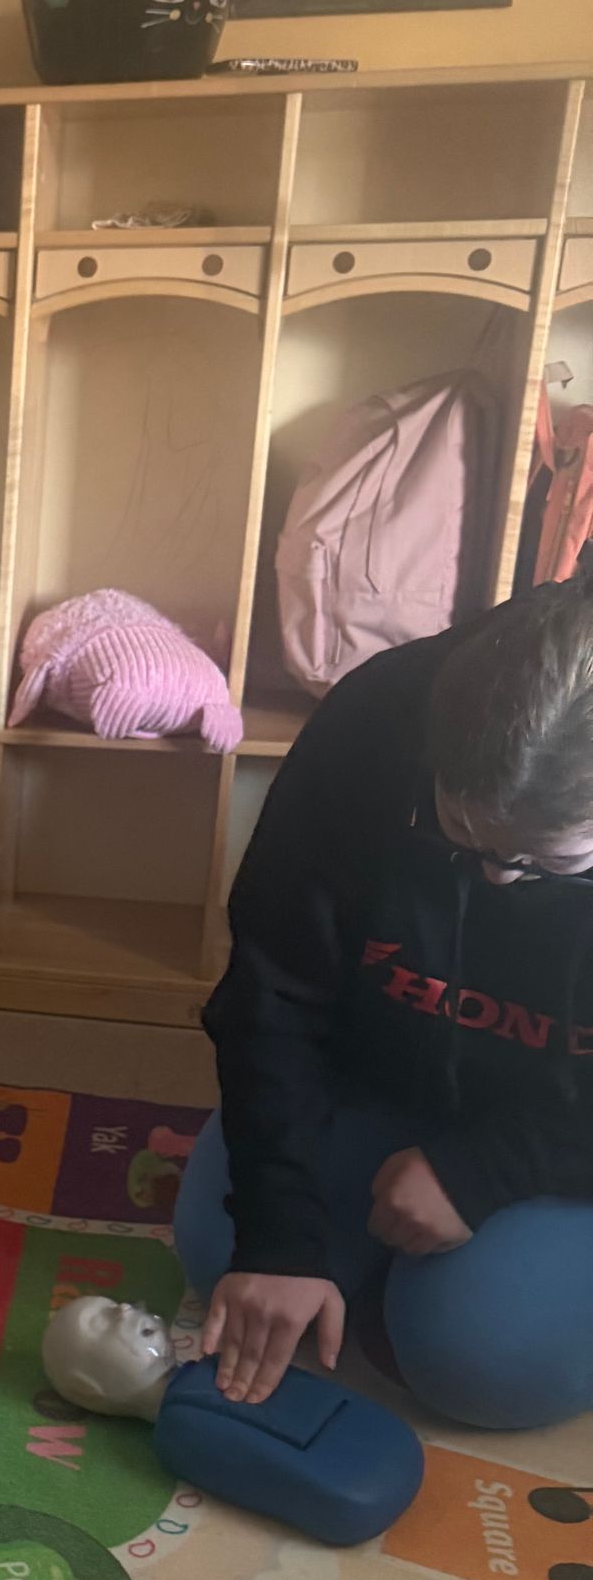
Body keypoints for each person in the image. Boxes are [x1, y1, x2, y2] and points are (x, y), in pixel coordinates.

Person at [181, 560, 593, 1427]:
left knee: (486, 1363)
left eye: (549, 864)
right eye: (461, 837)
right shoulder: (379, 714)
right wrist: (280, 1233)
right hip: (377, 1067)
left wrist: (495, 1167)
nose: (498, 878)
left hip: (566, 1124)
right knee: (222, 1251)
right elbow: (273, 987)